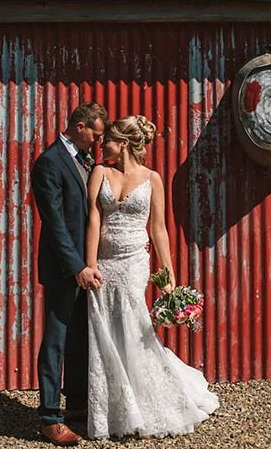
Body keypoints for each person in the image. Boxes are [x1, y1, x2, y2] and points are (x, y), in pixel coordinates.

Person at [84, 115, 219, 440]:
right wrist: (89, 265)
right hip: (104, 264)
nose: (104, 147)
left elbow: (158, 228)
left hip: (134, 264)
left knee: (133, 328)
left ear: (124, 144)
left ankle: (152, 401)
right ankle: (118, 408)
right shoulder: (100, 172)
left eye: (109, 142)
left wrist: (168, 275)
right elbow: (93, 218)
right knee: (104, 334)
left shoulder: (152, 179)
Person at [30, 102, 108, 447]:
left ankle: (76, 405)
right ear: (79, 126)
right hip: (65, 269)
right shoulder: (48, 163)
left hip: (85, 267)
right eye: (96, 133)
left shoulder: (84, 160)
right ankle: (50, 417)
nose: (98, 141)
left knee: (80, 338)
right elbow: (56, 224)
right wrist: (77, 267)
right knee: (56, 341)